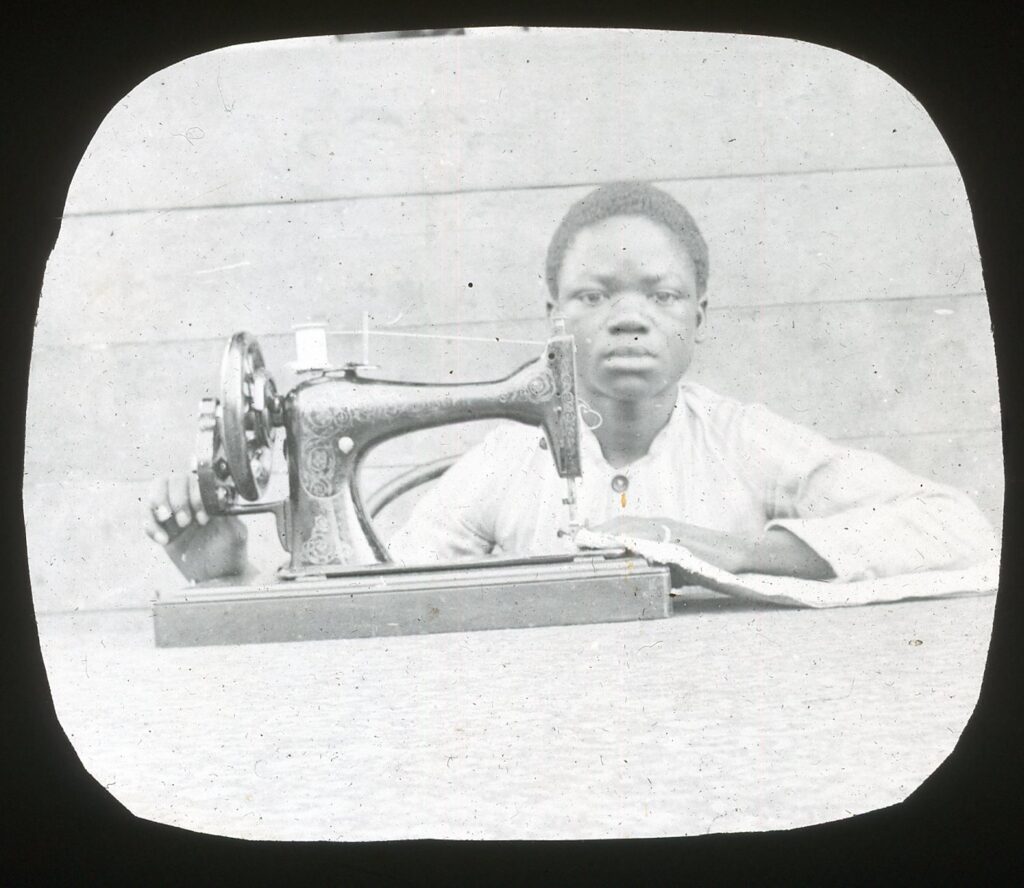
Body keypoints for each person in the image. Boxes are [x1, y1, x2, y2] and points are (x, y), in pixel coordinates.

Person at [145, 181, 997, 584]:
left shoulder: (746, 442)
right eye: (594, 295)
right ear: (555, 317)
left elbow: (959, 527)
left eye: (661, 295)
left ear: (699, 315)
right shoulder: (498, 469)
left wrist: (720, 550)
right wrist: (226, 571)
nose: (630, 318)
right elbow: (372, 609)